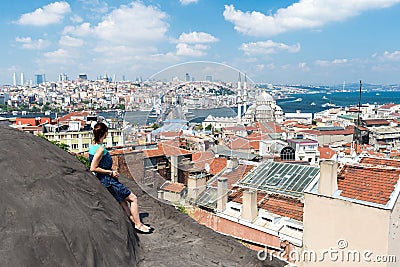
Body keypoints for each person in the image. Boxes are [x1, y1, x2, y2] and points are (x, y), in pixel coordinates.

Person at [89, 122, 152, 234]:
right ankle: (138, 225)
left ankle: (134, 222)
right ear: (105, 133)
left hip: (105, 180)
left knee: (123, 203)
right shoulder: (100, 149)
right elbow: (93, 168)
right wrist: (110, 172)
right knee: (133, 198)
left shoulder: (92, 147)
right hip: (108, 181)